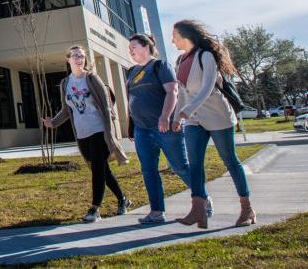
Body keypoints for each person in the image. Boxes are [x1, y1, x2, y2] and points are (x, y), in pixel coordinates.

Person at [172, 20, 255, 229]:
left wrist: (187, 110)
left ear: (185, 36)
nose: (172, 40)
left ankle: (247, 208)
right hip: (193, 119)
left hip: (217, 115)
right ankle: (198, 210)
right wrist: (177, 117)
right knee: (195, 164)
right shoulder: (179, 61)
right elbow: (181, 92)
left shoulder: (205, 56)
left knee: (230, 160)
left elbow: (208, 87)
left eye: (174, 36)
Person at [126, 33, 213, 224]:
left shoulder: (160, 66)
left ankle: (204, 200)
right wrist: (130, 125)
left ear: (146, 47)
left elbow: (172, 91)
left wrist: (165, 117)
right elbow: (131, 100)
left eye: (133, 46)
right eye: (129, 47)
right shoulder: (131, 71)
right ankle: (157, 212)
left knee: (179, 166)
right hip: (142, 130)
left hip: (165, 127)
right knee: (148, 170)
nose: (130, 50)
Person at [43, 45, 131, 223]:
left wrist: (109, 133)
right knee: (103, 171)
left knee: (98, 170)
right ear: (68, 59)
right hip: (82, 134)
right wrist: (52, 122)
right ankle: (123, 200)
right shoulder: (66, 83)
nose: (79, 59)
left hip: (98, 130)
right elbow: (66, 110)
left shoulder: (92, 79)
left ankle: (94, 209)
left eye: (82, 56)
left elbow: (106, 108)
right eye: (75, 56)